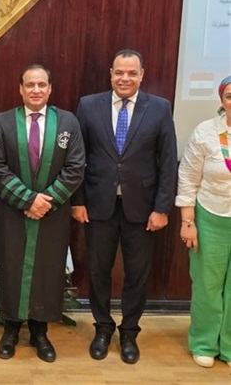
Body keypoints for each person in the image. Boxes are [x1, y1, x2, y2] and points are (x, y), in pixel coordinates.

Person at [71, 49, 178, 364]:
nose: (125, 78)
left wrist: (162, 208)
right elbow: (77, 158)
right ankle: (103, 328)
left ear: (142, 75)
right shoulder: (89, 105)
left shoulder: (159, 108)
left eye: (132, 73)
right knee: (98, 271)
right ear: (110, 73)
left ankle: (129, 332)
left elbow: (167, 161)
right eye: (119, 72)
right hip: (98, 206)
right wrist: (77, 201)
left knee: (137, 274)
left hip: (142, 209)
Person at [0, 64, 85, 363]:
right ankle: (11, 330)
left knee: (47, 270)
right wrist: (28, 200)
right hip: (13, 213)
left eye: (42, 84)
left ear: (50, 88)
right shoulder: (3, 123)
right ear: (20, 89)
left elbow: (75, 167)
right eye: (30, 84)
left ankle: (40, 332)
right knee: (11, 267)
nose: (36, 90)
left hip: (52, 215)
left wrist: (46, 202)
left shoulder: (67, 122)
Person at [176, 75, 231, 368]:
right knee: (208, 286)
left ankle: (230, 347)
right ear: (222, 100)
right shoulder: (205, 132)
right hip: (211, 217)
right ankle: (204, 343)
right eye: (230, 96)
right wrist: (188, 222)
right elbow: (187, 178)